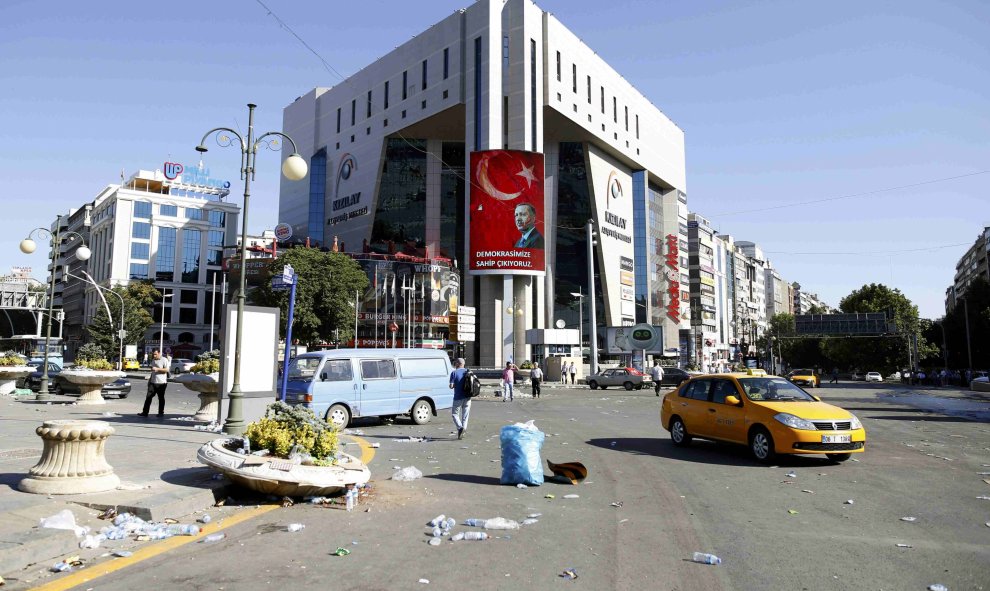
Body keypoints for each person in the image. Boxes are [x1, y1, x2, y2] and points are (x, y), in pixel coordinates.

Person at [139, 349, 169, 418]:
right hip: (153, 382)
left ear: (159, 353)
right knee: (148, 397)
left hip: (161, 383)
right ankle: (145, 412)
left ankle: (161, 413)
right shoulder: (153, 360)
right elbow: (153, 371)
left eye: (155, 354)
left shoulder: (164, 360)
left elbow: (167, 370)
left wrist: (157, 369)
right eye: (153, 354)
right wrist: (150, 381)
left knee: (161, 398)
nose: (154, 355)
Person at [448, 358, 471, 439]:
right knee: (465, 415)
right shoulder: (469, 372)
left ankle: (460, 427)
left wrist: (455, 385)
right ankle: (463, 430)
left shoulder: (454, 373)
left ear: (457, 364)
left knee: (455, 414)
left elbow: (451, 386)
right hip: (468, 397)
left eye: (455, 363)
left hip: (458, 397)